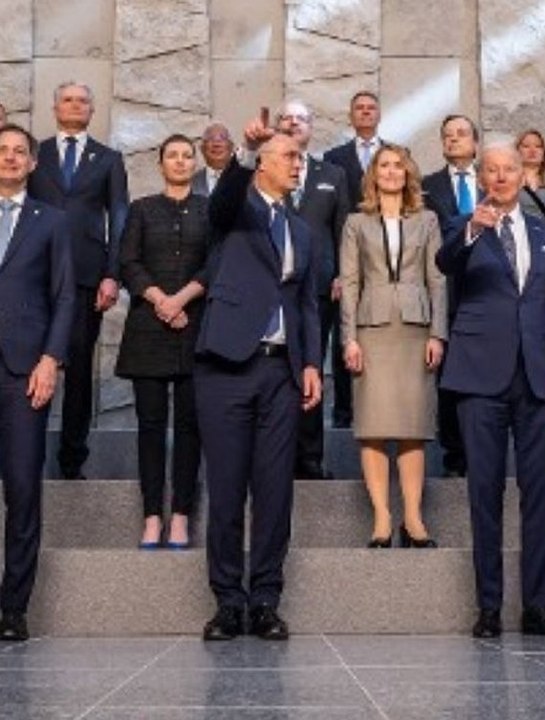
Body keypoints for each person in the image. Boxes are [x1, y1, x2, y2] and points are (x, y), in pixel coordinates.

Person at [437, 142, 545, 639]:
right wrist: (475, 229)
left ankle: (538, 607)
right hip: (479, 375)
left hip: (537, 376)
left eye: (509, 170)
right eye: (492, 171)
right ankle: (489, 607)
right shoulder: (464, 227)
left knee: (539, 494)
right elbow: (444, 262)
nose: (501, 178)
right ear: (481, 178)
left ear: (525, 175)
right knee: (484, 493)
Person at [195, 117, 325, 642]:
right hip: (226, 365)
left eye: (299, 158)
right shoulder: (236, 211)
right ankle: (228, 602)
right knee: (226, 489)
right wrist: (243, 155)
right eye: (289, 157)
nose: (298, 164)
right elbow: (223, 199)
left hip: (281, 372)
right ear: (264, 164)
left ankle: (266, 599)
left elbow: (308, 304)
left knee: (274, 493)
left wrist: (312, 362)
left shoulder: (304, 229)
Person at [340, 144, 447, 547]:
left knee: (412, 427)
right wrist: (349, 338)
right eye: (383, 165)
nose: (391, 171)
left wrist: (438, 333)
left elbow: (438, 280)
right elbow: (350, 283)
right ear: (373, 174)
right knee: (373, 426)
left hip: (416, 329)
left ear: (408, 173)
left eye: (398, 165)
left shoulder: (428, 219)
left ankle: (414, 518)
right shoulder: (355, 222)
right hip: (371, 329)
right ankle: (383, 518)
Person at [28, 81, 129, 480]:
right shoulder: (37, 154)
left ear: (92, 109)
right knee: (27, 362)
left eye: (83, 100)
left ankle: (73, 460)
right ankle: (25, 454)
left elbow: (119, 217)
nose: (75, 105)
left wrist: (112, 274)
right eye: (67, 99)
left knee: (80, 370)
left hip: (87, 277)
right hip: (35, 274)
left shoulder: (108, 158)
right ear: (55, 107)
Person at [0, 123, 75, 641]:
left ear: (33, 164)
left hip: (24, 372)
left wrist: (51, 359)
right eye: (1, 151)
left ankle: (13, 608)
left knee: (23, 489)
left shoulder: (52, 222)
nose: (9, 158)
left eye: (18, 152)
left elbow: (66, 296)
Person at [116, 134, 209, 550]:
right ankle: (152, 515)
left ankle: (181, 516)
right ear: (160, 163)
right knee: (151, 427)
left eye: (187, 155)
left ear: (196, 163)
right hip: (148, 328)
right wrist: (160, 300)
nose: (180, 161)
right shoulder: (141, 209)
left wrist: (182, 298)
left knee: (190, 427)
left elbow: (216, 263)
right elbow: (128, 263)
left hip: (195, 325)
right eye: (172, 155)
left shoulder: (209, 211)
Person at [276, 99, 350, 480]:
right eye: (286, 118)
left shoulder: (332, 174)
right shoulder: (266, 170)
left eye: (300, 119)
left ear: (311, 127)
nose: (292, 124)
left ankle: (309, 459)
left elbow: (343, 229)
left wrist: (342, 274)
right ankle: (278, 457)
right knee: (278, 374)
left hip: (319, 289)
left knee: (311, 372)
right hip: (275, 288)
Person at [421, 114, 482, 479]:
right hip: (445, 288)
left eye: (461, 134)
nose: (454, 140)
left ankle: (482, 451)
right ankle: (454, 455)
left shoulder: (494, 182)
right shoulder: (427, 186)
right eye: (448, 135)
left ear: (476, 142)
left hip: (488, 288)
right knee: (448, 376)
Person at [323, 91, 385, 427]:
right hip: (345, 257)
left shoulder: (395, 155)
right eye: (359, 108)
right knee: (343, 335)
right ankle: (344, 413)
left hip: (383, 257)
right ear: (351, 116)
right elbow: (332, 218)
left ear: (379, 114)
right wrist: (337, 269)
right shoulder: (333, 158)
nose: (365, 112)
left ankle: (379, 409)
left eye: (370, 108)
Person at [191, 122, 234, 197]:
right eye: (210, 138)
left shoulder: (245, 180)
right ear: (202, 148)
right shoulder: (190, 182)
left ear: (231, 147)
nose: (216, 144)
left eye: (222, 138)